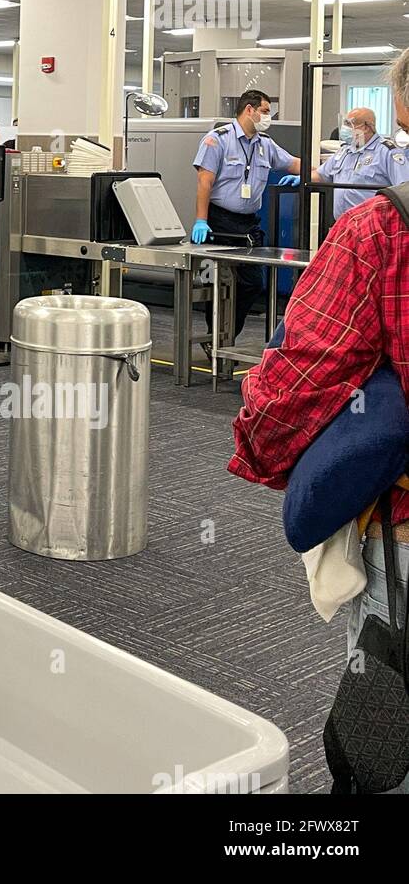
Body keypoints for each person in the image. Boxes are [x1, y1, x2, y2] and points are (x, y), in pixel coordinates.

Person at [231, 49, 409, 773]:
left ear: (404, 112)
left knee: (387, 736)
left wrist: (263, 447)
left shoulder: (381, 233)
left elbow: (302, 377)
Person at [190, 91, 301, 344]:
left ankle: (226, 336)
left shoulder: (265, 144)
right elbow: (204, 182)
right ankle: (215, 338)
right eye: (264, 111)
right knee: (216, 286)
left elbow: (293, 163)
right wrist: (201, 220)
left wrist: (319, 170)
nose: (267, 117)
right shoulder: (217, 140)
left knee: (251, 284)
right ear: (249, 110)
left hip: (248, 225)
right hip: (219, 222)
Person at [314, 106, 409, 218]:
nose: (345, 129)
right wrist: (301, 179)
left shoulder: (387, 152)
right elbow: (320, 175)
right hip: (343, 225)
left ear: (366, 127)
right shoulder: (345, 152)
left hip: (372, 226)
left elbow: (404, 190)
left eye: (350, 124)